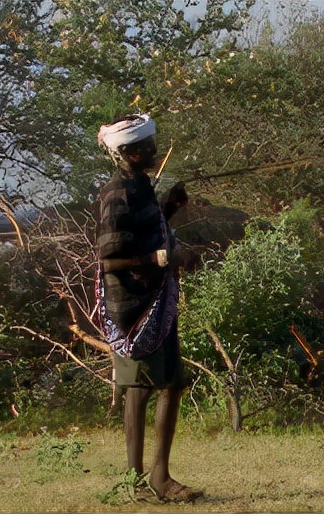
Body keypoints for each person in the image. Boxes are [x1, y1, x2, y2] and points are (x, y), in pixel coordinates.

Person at [93, 114, 201, 503]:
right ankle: (136, 481)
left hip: (157, 303)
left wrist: (169, 208)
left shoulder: (140, 187)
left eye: (152, 146)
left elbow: (145, 232)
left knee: (172, 383)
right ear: (127, 153)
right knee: (138, 389)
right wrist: (157, 260)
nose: (154, 152)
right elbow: (108, 259)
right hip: (132, 310)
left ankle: (160, 477)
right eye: (146, 148)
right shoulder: (116, 193)